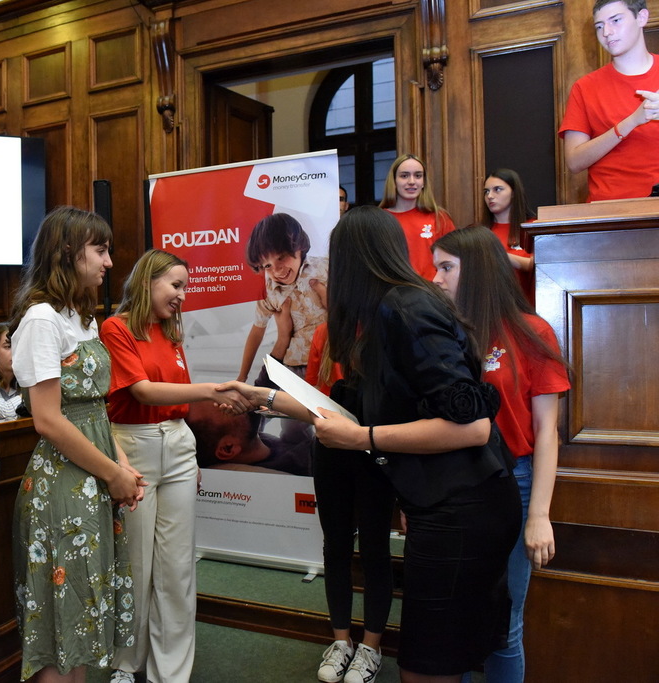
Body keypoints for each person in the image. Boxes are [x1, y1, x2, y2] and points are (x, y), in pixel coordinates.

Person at [221, 206, 521, 683]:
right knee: (431, 662)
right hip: (438, 503)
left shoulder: (406, 310)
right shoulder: (386, 317)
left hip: (463, 508)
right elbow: (342, 410)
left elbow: (472, 427)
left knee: (427, 667)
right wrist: (264, 396)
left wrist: (364, 438)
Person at [100, 249, 251, 683]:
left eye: (186, 286)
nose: (183, 295)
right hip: (135, 448)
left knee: (177, 567)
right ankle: (126, 664)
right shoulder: (116, 327)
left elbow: (177, 401)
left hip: (180, 447)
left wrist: (190, 454)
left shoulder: (171, 331)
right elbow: (143, 391)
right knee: (135, 563)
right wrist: (212, 391)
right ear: (148, 281)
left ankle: (171, 672)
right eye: (176, 285)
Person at [10, 206, 146, 682]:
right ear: (67, 252)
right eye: (100, 250)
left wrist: (121, 464)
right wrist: (112, 473)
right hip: (63, 483)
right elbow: (48, 420)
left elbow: (95, 410)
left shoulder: (81, 317)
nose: (109, 262)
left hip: (94, 475)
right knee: (59, 618)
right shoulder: (42, 319)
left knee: (86, 613)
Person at [431, 227, 570, 683]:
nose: (435, 278)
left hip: (514, 484)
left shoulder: (531, 331)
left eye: (446, 267)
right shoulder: (445, 333)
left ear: (477, 270)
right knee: (455, 624)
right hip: (454, 485)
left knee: (503, 628)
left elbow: (547, 431)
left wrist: (539, 515)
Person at [303, 321, 396, 683]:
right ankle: (341, 641)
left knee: (375, 549)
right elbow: (311, 393)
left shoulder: (388, 326)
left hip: (375, 448)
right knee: (336, 545)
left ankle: (371, 647)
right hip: (330, 451)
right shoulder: (325, 331)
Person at [560, 0, 659, 201]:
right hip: (609, 210)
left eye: (615, 20)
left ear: (641, 17)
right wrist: (631, 122)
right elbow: (574, 162)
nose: (606, 32)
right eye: (599, 26)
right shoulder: (585, 87)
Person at [237, 212, 328, 384]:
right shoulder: (267, 291)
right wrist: (242, 376)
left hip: (331, 360)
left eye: (281, 257)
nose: (277, 270)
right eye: (267, 265)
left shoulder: (324, 268)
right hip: (295, 366)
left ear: (299, 247)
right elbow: (257, 331)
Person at [379, 154, 455, 280]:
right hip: (394, 289)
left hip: (432, 289)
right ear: (394, 181)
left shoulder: (439, 217)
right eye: (404, 176)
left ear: (424, 182)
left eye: (418, 176)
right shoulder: (379, 219)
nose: (412, 182)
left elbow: (453, 260)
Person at [186, 401, 313, 476]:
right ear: (228, 448)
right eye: (222, 407)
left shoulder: (247, 438)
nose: (233, 397)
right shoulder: (303, 462)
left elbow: (258, 392)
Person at [481, 169, 536, 304]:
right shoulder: (479, 232)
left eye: (497, 189)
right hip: (489, 305)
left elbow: (537, 264)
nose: (490, 196)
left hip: (526, 305)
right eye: (486, 191)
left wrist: (498, 254)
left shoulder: (533, 227)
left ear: (514, 193)